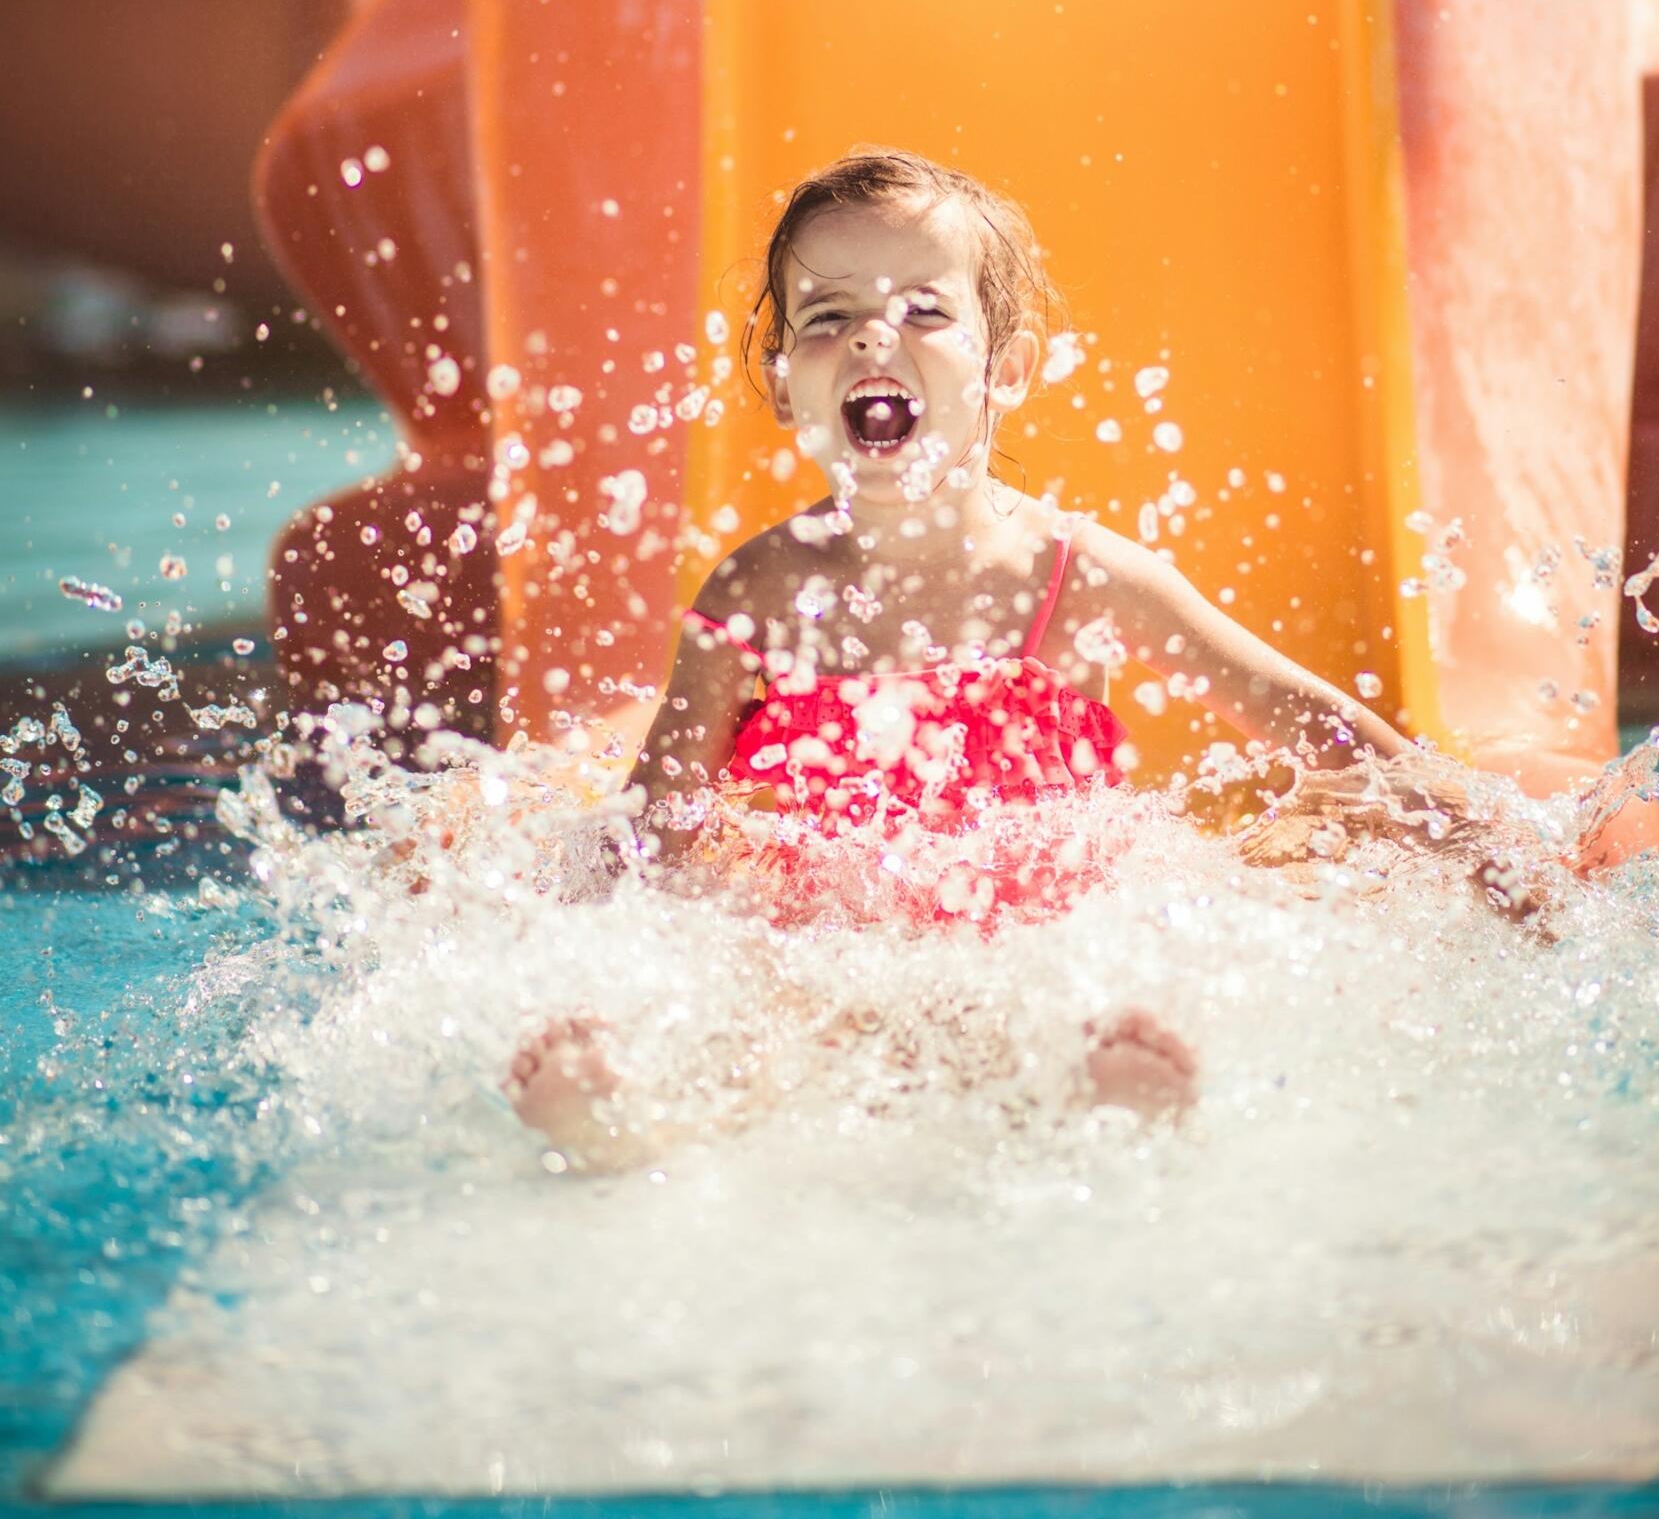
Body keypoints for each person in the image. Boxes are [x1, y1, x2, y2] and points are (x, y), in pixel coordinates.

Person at [507, 146, 1492, 1162]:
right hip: (835, 954)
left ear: (1006, 368)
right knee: (776, 1026)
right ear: (783, 380)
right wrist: (541, 940)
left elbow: (1312, 726)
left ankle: (1097, 1109)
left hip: (1029, 950)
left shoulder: (1079, 574)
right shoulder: (755, 593)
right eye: (828, 319)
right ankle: (637, 1125)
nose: (871, 340)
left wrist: (1494, 850)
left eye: (923, 312)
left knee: (1068, 1021)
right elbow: (654, 829)